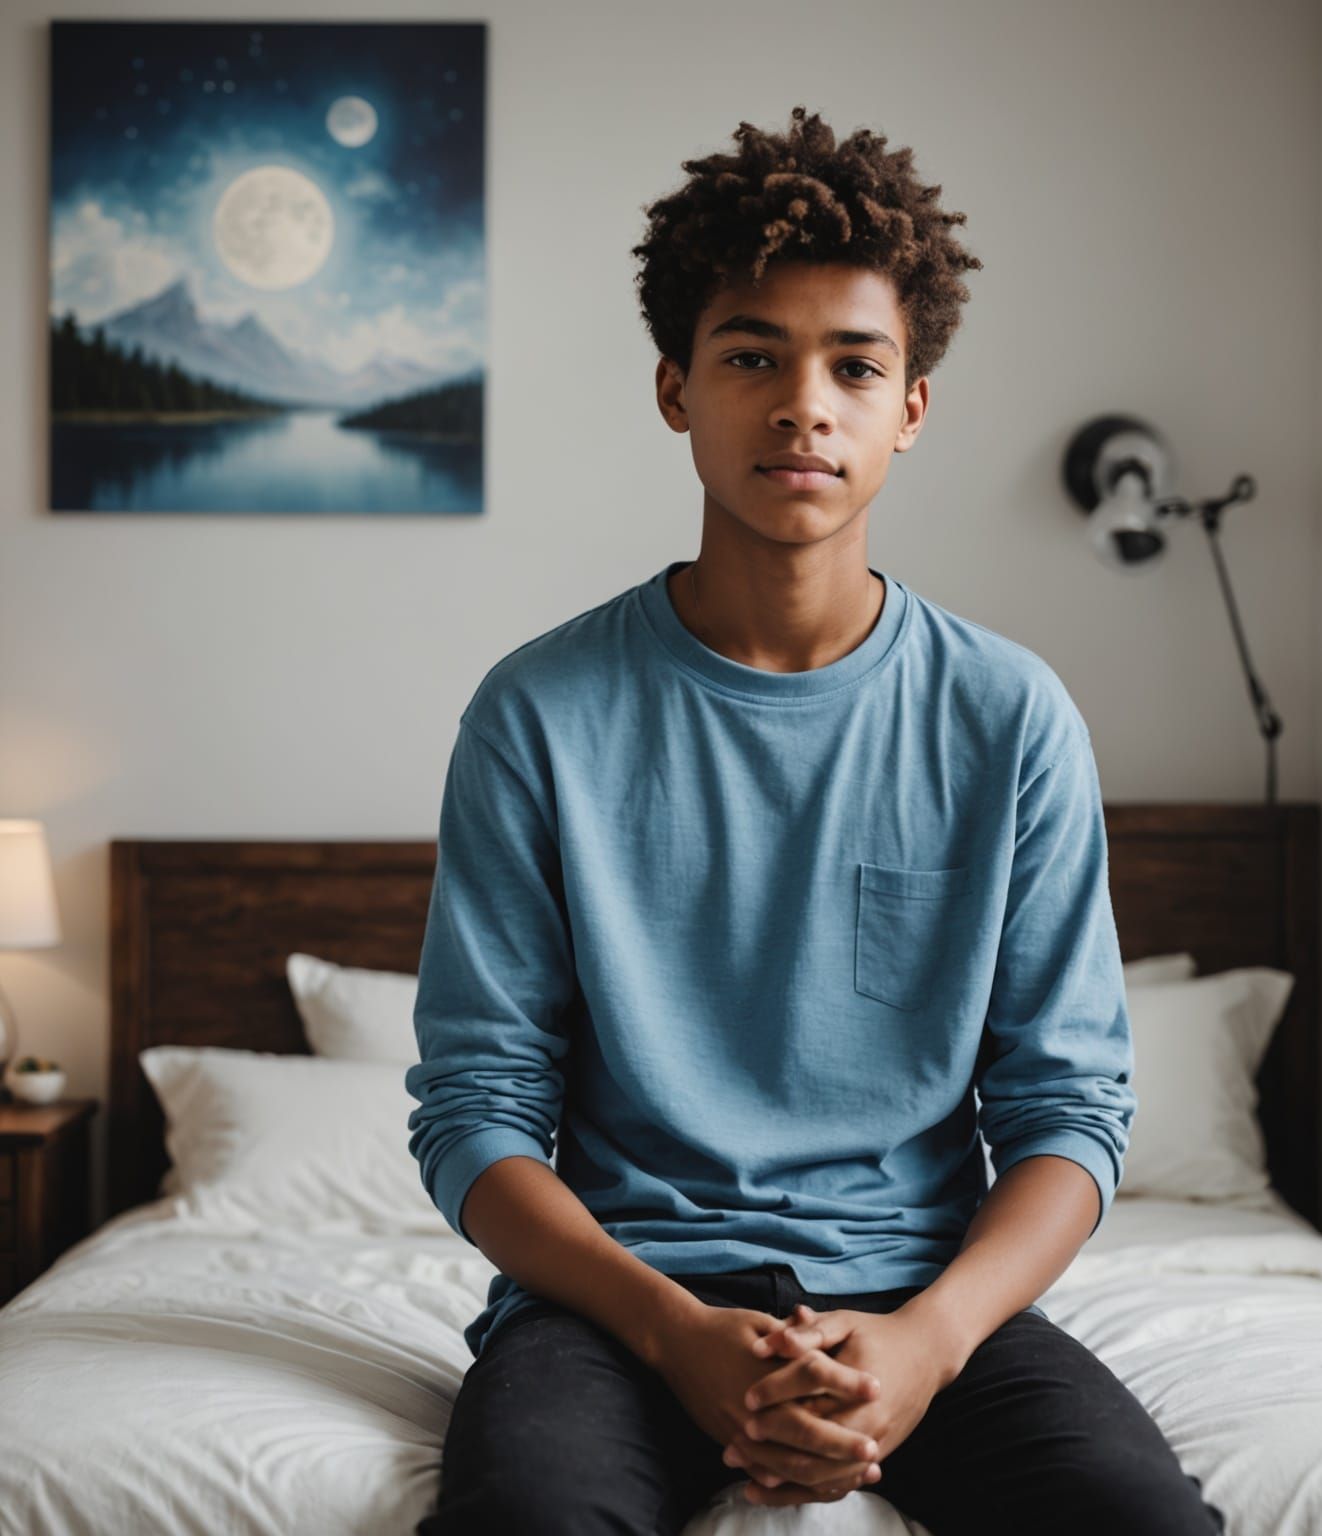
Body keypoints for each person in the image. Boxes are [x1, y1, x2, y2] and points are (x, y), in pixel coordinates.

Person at [405, 104, 1225, 1535]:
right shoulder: (538, 714)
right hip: (615, 1307)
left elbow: (1070, 1111)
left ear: (911, 408)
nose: (804, 405)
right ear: (675, 389)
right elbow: (478, 1110)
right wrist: (673, 1333)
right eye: (751, 358)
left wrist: (930, 1342)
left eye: (855, 365)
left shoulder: (1010, 718)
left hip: (923, 1301)